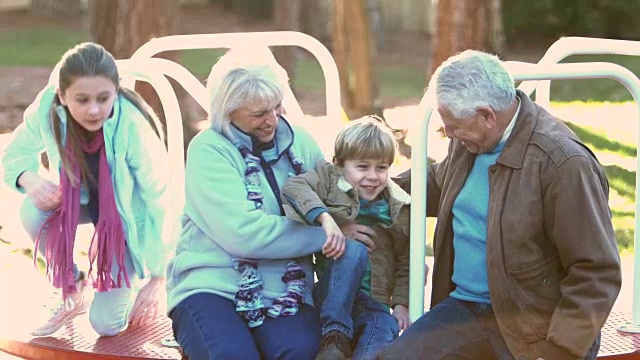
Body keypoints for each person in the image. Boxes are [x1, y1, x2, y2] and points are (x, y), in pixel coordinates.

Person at [377, 50, 621, 360]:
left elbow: (596, 271)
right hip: (467, 309)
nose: (448, 133)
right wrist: (371, 190)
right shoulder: (471, 141)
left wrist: (559, 349)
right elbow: (439, 183)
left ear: (487, 115)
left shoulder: (563, 163)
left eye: (453, 125)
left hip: (538, 327)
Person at [165, 49, 370, 360]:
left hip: (286, 287)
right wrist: (328, 234)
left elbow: (338, 194)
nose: (272, 120)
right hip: (212, 284)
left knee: (301, 352)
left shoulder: (300, 141)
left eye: (277, 106)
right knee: (232, 355)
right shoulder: (208, 150)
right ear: (228, 111)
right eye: (259, 113)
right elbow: (243, 234)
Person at [1, 42, 176, 337]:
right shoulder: (48, 107)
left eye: (103, 98)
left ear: (116, 92)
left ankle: (125, 281)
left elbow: (160, 199)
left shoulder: (133, 126)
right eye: (81, 99)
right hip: (77, 199)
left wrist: (159, 276)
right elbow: (12, 154)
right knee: (31, 210)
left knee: (106, 325)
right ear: (62, 96)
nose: (94, 110)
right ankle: (70, 282)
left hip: (126, 220)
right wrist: (29, 179)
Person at [281, 116, 413, 360]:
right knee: (354, 250)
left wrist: (401, 304)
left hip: (374, 303)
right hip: (333, 295)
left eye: (381, 167)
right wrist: (327, 219)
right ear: (340, 165)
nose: (373, 176)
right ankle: (335, 334)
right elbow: (293, 189)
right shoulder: (329, 181)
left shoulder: (396, 206)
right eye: (362, 167)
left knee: (384, 331)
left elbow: (406, 259)